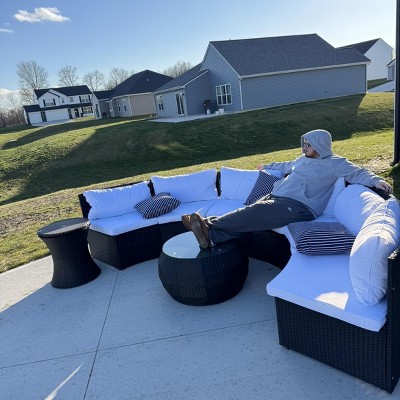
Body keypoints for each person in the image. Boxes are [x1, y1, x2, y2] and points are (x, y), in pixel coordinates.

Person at [182, 129, 393, 249]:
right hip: (278, 197)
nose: (304, 148)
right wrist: (268, 166)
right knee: (247, 215)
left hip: (300, 207)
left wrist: (376, 181)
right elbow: (286, 165)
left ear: (320, 145)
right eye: (304, 144)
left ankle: (206, 225)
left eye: (308, 145)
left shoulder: (335, 163)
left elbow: (357, 172)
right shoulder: (302, 159)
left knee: (255, 211)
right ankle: (210, 237)